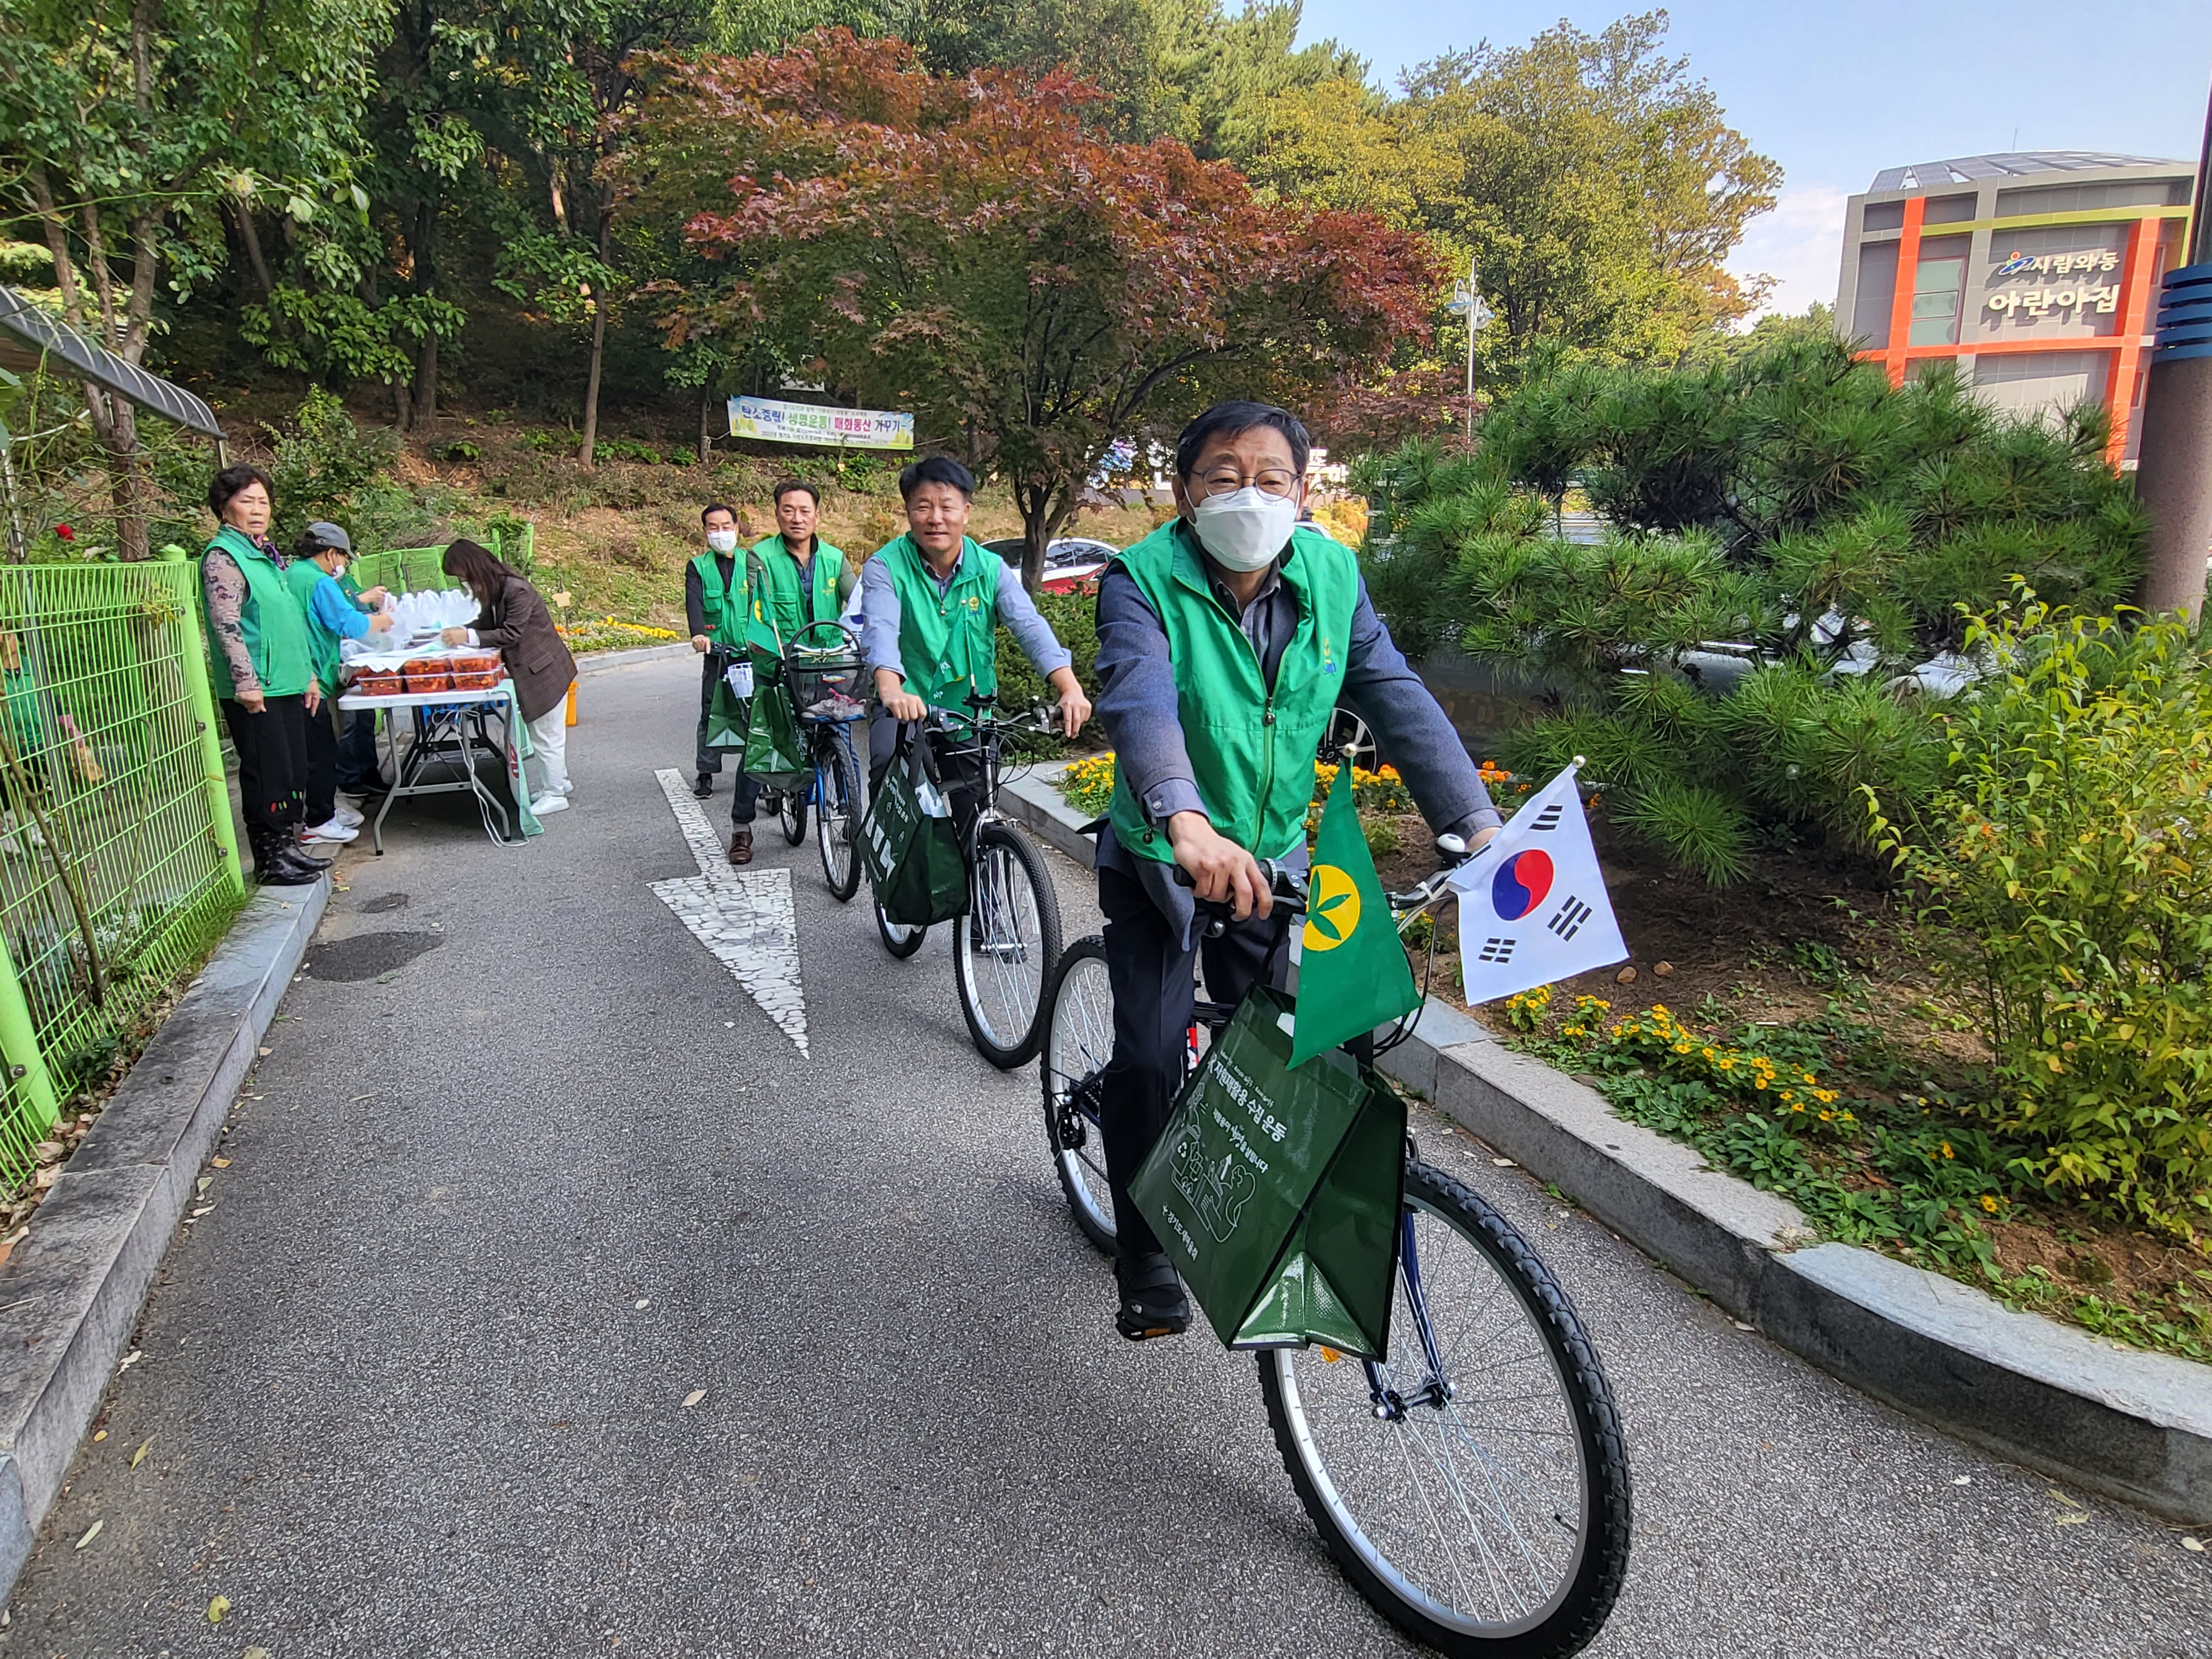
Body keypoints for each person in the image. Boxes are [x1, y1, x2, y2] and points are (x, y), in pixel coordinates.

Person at [1091, 401, 1504, 1341]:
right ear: (1182, 493)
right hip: (1165, 850)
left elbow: (1391, 691)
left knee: (1273, 1058)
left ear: (1302, 491)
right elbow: (1140, 696)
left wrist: (1474, 825)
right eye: (1222, 475)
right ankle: (1144, 1251)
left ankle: (1247, 1220)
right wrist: (1184, 820)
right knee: (1152, 1057)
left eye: (1271, 476)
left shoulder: (1331, 572)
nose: (1249, 492)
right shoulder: (1139, 579)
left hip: (1270, 859)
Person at [860, 457, 1090, 833]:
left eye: (947, 506)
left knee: (978, 818)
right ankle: (895, 875)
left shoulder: (990, 568)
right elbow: (881, 629)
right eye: (923, 506)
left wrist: (1069, 687)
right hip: (905, 705)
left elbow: (1028, 625)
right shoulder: (885, 567)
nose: (936, 518)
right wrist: (891, 689)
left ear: (966, 512)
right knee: (893, 790)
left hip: (970, 713)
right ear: (909, 512)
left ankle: (980, 886)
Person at [721, 480, 858, 865]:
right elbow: (750, 609)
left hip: (827, 668)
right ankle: (741, 828)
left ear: (817, 515)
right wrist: (758, 644)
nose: (797, 518)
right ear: (777, 513)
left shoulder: (834, 558)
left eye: (804, 511)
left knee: (843, 742)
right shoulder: (759, 558)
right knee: (762, 747)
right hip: (777, 668)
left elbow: (859, 598)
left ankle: (852, 816)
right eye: (788, 510)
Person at [199, 465, 323, 886]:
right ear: (224, 507)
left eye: (263, 502)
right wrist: (245, 681)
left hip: (287, 679)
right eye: (246, 502)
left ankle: (289, 846)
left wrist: (307, 673)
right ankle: (270, 859)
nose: (257, 511)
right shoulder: (223, 558)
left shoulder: (266, 556)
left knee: (291, 770)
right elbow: (226, 625)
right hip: (258, 686)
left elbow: (288, 620)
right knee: (265, 770)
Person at [439, 539, 578, 816]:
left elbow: (510, 633)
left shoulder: (516, 591)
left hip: (544, 670)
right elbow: (487, 624)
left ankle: (555, 794)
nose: (463, 583)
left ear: (473, 568)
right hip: (536, 669)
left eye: (463, 577)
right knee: (547, 733)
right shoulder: (495, 589)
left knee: (546, 736)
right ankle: (558, 782)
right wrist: (462, 631)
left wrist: (466, 636)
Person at [284, 521, 394, 846]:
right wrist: (385, 621)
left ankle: (325, 810)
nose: (342, 565)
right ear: (332, 554)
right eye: (343, 557)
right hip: (310, 674)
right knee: (321, 748)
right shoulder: (318, 581)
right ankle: (318, 821)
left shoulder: (293, 575)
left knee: (313, 747)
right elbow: (349, 623)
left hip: (299, 670)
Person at [686, 503, 744, 802]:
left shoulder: (755, 563)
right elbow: (693, 601)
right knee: (712, 710)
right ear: (705, 531)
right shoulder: (699, 566)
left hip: (751, 650)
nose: (720, 533)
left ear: (737, 527)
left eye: (725, 526)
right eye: (713, 527)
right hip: (716, 650)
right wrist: (698, 633)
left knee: (758, 711)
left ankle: (761, 771)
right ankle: (706, 772)